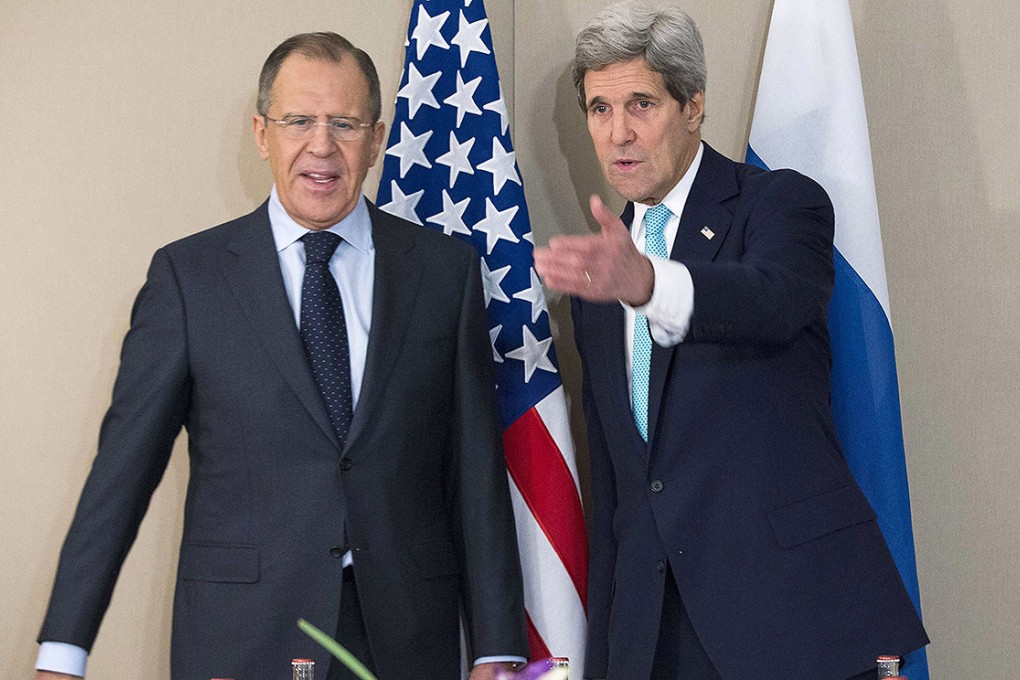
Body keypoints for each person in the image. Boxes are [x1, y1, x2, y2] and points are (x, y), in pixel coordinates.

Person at [34, 32, 527, 680]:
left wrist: (497, 645)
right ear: (263, 133)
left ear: (376, 138)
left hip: (405, 638)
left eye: (344, 124)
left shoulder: (447, 274)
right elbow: (120, 479)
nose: (320, 146)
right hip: (243, 641)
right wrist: (63, 654)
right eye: (299, 121)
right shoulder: (190, 279)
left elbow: (475, 472)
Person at [533, 4, 929, 679]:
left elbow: (772, 299)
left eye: (641, 104)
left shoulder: (777, 204)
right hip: (655, 640)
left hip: (791, 622)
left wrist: (651, 284)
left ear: (693, 104)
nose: (619, 133)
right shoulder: (595, 291)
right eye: (599, 109)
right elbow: (620, 491)